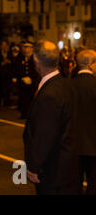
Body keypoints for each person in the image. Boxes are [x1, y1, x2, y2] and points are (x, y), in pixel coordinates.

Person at [23, 40, 79, 195]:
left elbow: (45, 135)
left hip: (53, 170)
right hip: (68, 166)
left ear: (36, 60)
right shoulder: (65, 84)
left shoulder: (49, 94)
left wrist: (34, 166)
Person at [72, 50, 96, 194]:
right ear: (90, 64)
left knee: (74, 185)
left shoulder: (68, 85)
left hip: (74, 145)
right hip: (94, 144)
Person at [13, 38, 40, 119]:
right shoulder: (20, 58)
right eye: (24, 47)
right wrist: (20, 78)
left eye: (27, 47)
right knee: (23, 98)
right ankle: (24, 113)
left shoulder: (35, 58)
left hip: (32, 83)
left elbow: (37, 71)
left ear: (32, 48)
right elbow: (17, 69)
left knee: (32, 99)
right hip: (23, 82)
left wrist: (32, 79)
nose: (25, 49)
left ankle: (32, 114)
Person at [0, 39, 11, 109]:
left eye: (5, 45)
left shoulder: (9, 53)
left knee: (7, 88)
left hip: (7, 74)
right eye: (3, 45)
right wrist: (2, 63)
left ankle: (7, 102)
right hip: (0, 74)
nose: (4, 47)